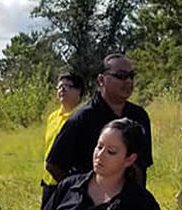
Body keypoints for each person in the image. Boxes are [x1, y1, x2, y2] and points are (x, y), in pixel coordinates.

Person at [37, 119, 163, 210]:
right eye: (99, 146)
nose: (100, 155)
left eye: (111, 151)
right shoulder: (68, 187)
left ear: (129, 159)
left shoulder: (142, 204)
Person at [46, 54, 153, 185]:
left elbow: (142, 164)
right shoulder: (82, 118)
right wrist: (80, 193)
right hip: (92, 203)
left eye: (131, 76)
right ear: (101, 80)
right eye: (121, 76)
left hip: (131, 200)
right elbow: (54, 165)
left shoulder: (139, 116)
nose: (128, 81)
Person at [41, 73, 84, 209]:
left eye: (67, 86)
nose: (62, 90)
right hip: (49, 180)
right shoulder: (52, 117)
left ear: (79, 91)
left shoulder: (83, 117)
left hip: (70, 181)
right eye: (59, 87)